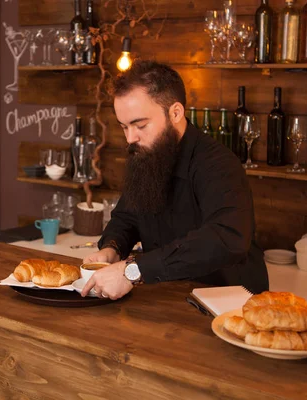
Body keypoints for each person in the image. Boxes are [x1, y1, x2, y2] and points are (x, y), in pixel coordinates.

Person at [81, 60, 269, 300]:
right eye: (124, 127)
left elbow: (226, 238)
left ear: (176, 112)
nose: (130, 138)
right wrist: (112, 248)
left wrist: (134, 271)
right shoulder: (145, 154)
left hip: (228, 302)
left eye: (140, 125)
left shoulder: (218, 164)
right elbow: (127, 217)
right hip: (167, 297)